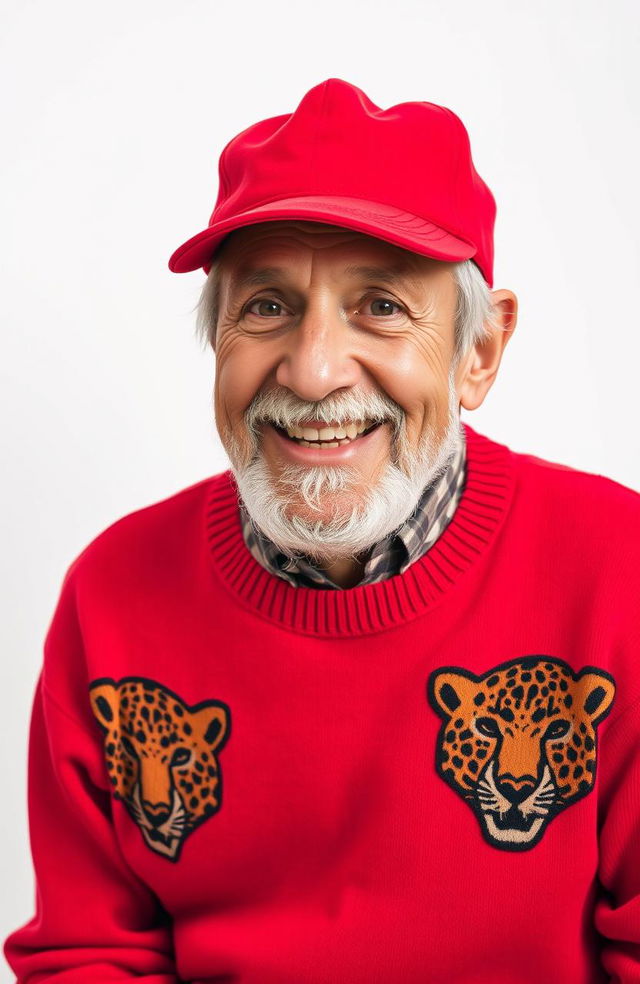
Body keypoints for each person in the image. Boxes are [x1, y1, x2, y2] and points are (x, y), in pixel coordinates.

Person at [4, 77, 639, 984]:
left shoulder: (621, 570)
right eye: (266, 308)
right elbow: (90, 956)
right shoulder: (112, 594)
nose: (311, 371)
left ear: (480, 353)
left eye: (380, 305)